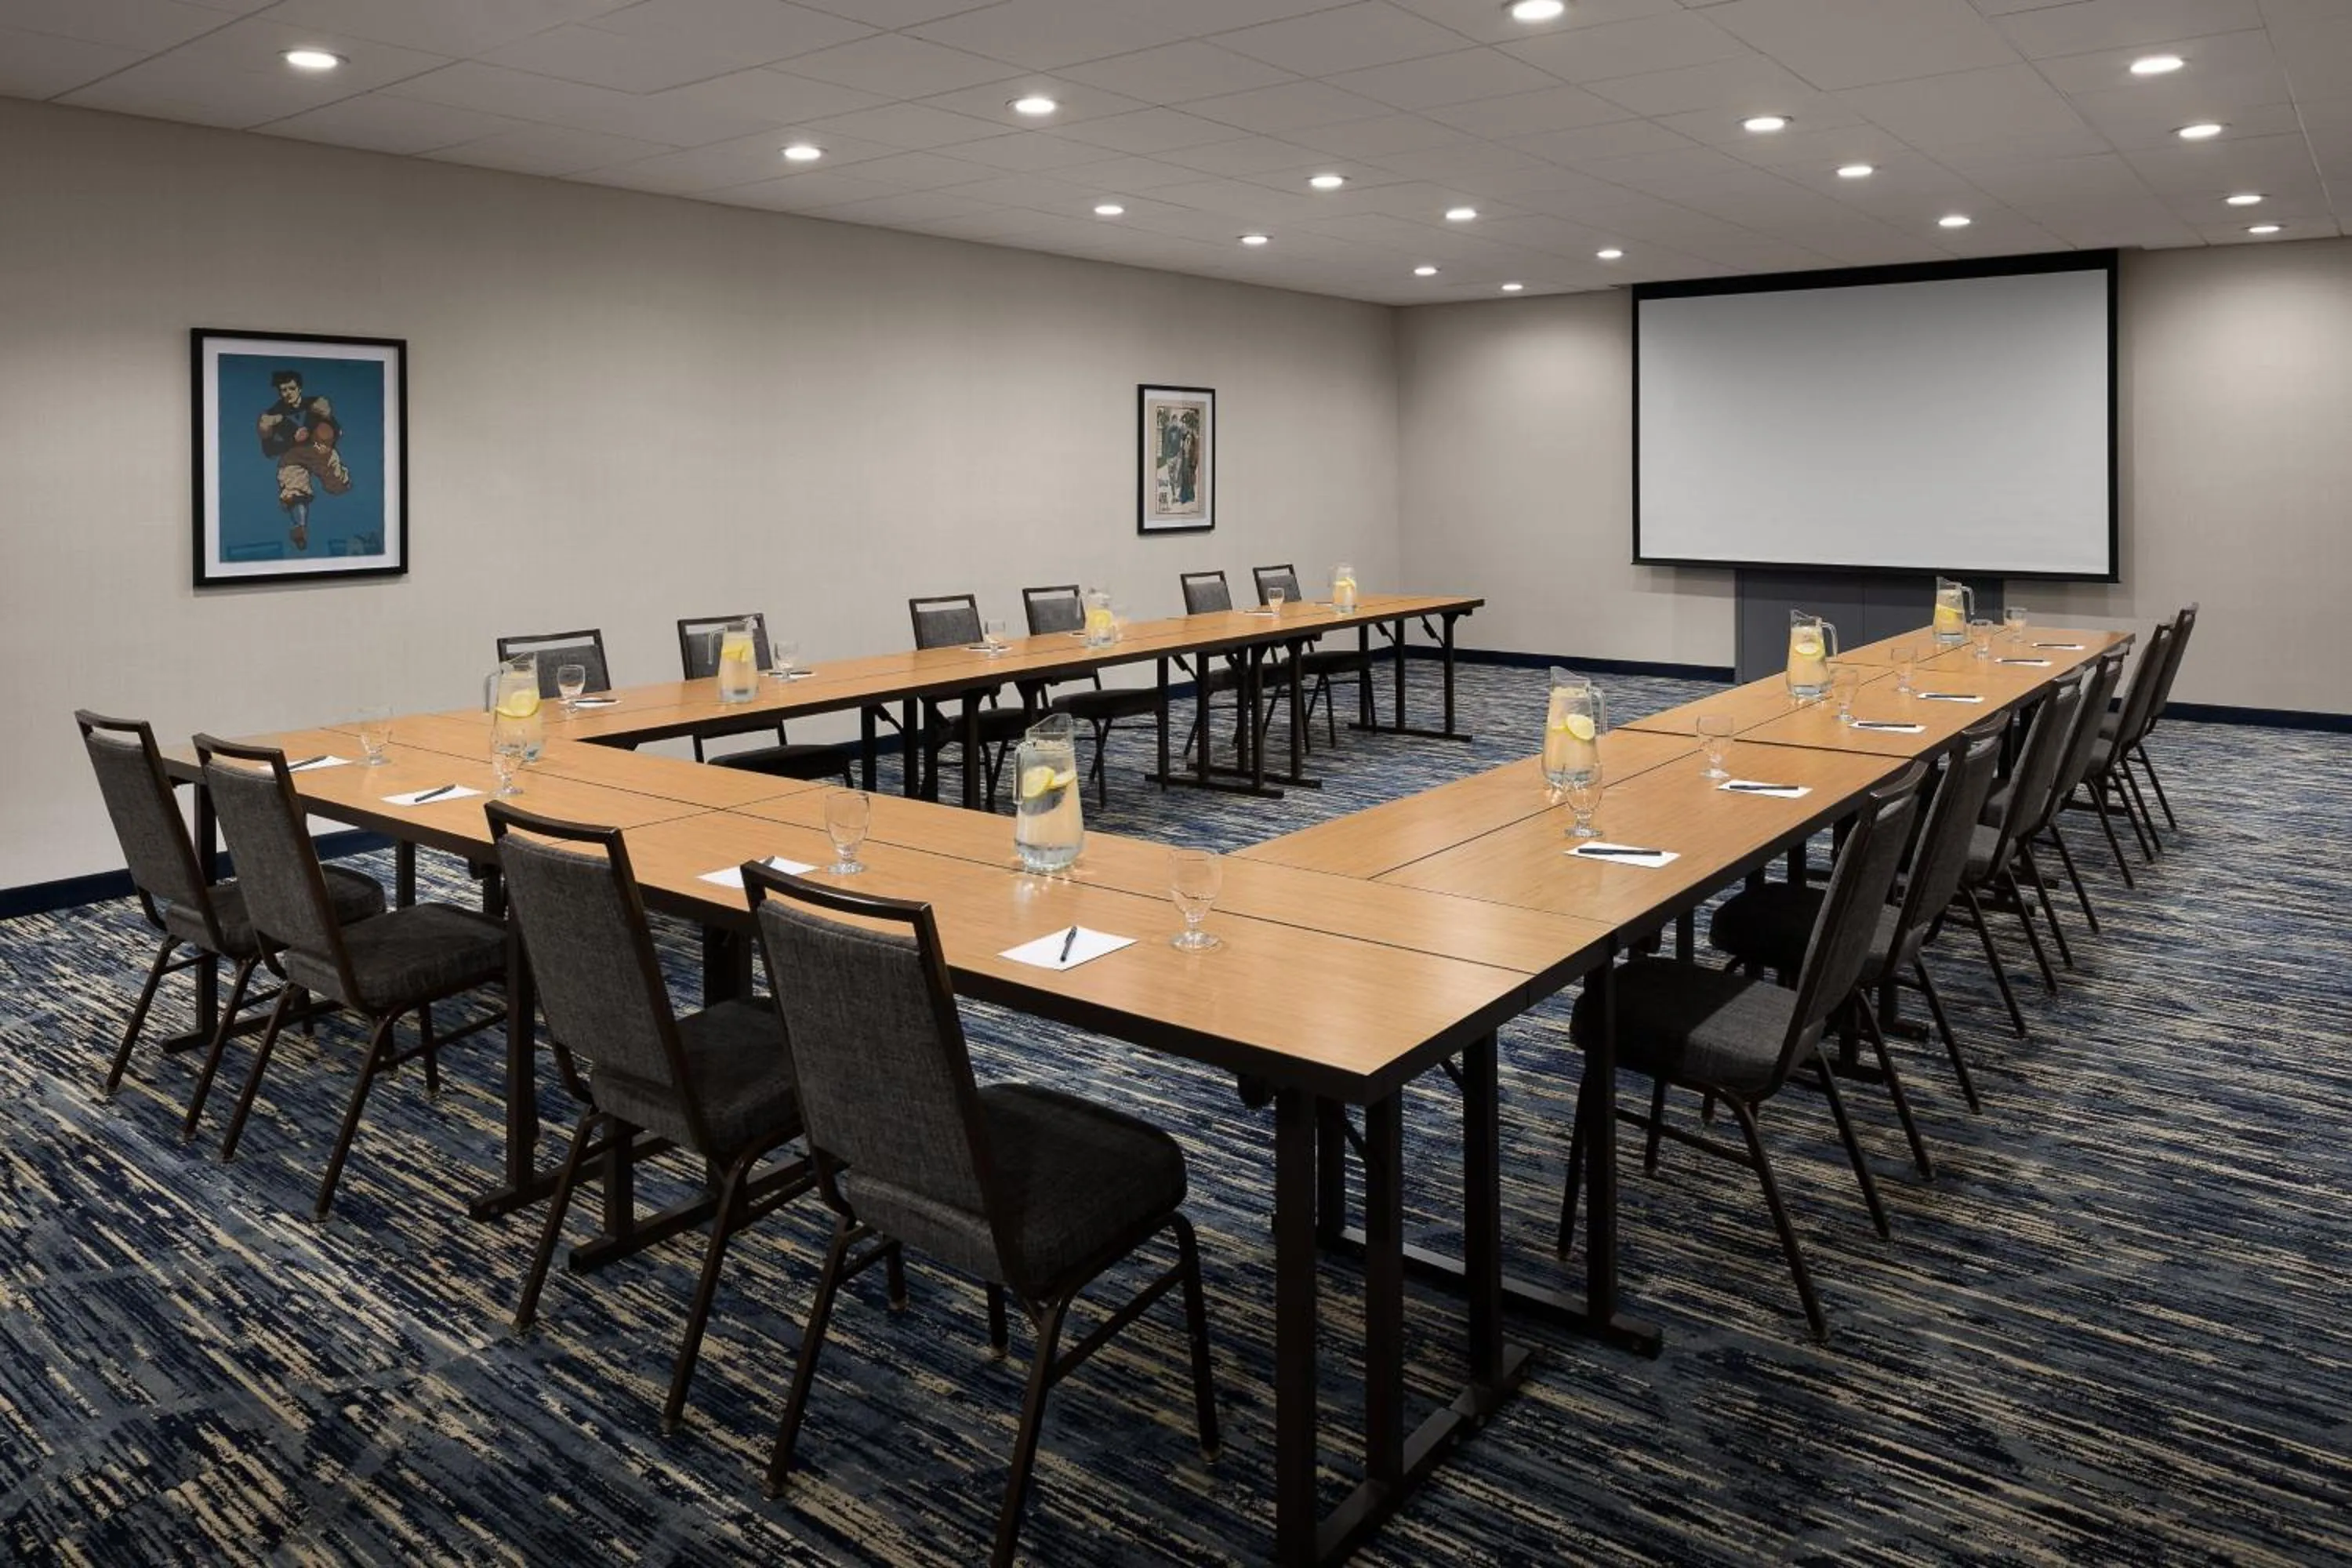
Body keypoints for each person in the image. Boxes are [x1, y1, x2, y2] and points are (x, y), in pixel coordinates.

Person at [255, 369, 350, 552]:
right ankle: (300, 529)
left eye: (291, 388)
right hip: (293, 456)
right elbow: (268, 450)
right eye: (283, 390)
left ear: (299, 388)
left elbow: (336, 429)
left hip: (319, 450)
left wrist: (330, 443)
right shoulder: (272, 415)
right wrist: (292, 441)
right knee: (293, 490)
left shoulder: (315, 405)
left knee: (338, 484)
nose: (287, 393)